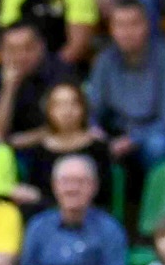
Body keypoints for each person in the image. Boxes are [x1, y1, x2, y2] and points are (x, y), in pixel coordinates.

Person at [16, 154, 125, 265]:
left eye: (80, 182)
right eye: (65, 181)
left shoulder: (109, 230)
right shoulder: (38, 227)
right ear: (55, 186)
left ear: (94, 187)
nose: (72, 189)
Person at [87, 0, 165, 171]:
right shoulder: (104, 60)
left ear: (147, 26)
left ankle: (157, 189)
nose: (127, 32)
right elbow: (92, 109)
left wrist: (133, 139)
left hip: (154, 134)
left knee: (157, 145)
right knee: (89, 143)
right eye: (120, 25)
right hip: (117, 133)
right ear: (111, 29)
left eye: (134, 24)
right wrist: (94, 129)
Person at [11, 81, 110, 213]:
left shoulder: (98, 147)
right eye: (59, 105)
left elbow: (103, 194)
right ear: (49, 110)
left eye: (73, 103)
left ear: (83, 108)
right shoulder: (40, 149)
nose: (67, 111)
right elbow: (37, 193)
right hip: (48, 215)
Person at [0, 21, 79, 147]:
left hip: (54, 146)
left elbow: (68, 124)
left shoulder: (61, 72)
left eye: (28, 48)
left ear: (41, 46)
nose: (21, 56)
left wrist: (25, 140)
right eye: (12, 50)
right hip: (11, 149)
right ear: (2, 52)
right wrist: (9, 88)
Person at [0, 0, 98, 67]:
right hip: (24, 63)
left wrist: (51, 69)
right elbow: (7, 38)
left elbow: (78, 45)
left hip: (63, 64)